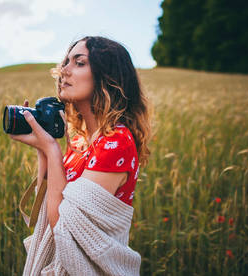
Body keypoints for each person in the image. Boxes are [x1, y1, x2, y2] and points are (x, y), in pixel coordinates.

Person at [10, 36, 151, 275]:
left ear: (107, 76)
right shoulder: (79, 141)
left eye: (79, 62)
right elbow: (47, 200)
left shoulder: (116, 143)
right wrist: (44, 148)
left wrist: (53, 151)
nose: (64, 70)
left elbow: (64, 227)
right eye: (66, 61)